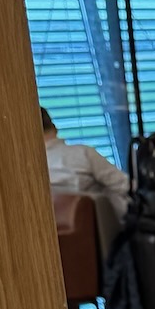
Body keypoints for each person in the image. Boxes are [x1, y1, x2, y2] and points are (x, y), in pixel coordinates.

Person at [42, 108, 128, 253]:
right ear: (55, 128)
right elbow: (125, 185)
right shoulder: (82, 154)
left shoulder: (30, 169)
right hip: (106, 240)